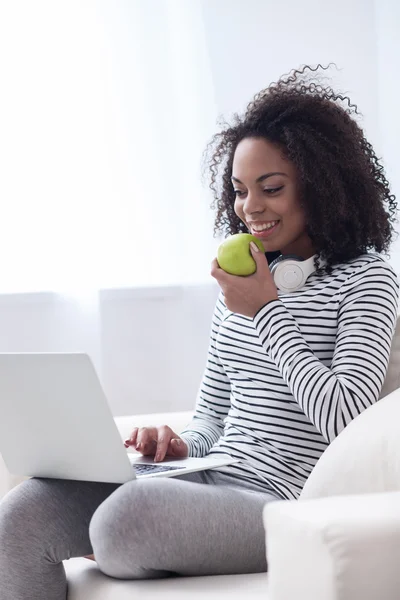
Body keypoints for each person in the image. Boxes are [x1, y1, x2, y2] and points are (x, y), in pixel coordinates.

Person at [0, 64, 398, 599]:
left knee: (123, 521)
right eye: (238, 191)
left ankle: (117, 534)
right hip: (208, 478)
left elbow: (346, 418)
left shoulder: (367, 279)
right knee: (23, 513)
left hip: (281, 501)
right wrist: (178, 445)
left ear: (324, 187)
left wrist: (265, 313)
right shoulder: (244, 282)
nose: (250, 208)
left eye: (271, 187)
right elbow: (213, 414)